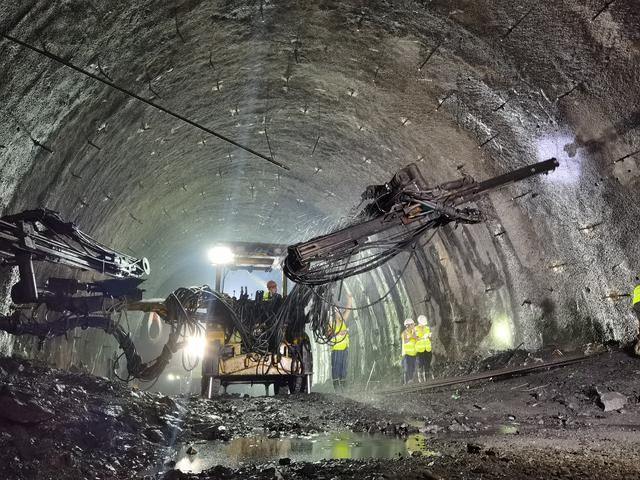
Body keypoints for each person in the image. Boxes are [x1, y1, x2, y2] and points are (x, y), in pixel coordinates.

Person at [327, 293, 353, 392]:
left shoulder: (342, 321)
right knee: (336, 369)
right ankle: (337, 389)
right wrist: (342, 332)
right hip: (337, 350)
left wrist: (349, 299)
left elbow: (348, 310)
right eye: (338, 312)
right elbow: (328, 334)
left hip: (345, 348)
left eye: (340, 312)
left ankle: (344, 388)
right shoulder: (330, 323)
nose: (340, 313)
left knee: (343, 369)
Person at [414, 314, 433, 382]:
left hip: (427, 348)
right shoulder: (415, 329)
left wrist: (429, 336)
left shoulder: (427, 328)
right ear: (419, 322)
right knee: (420, 364)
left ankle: (427, 377)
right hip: (420, 350)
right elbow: (416, 338)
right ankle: (420, 378)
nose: (423, 325)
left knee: (427, 362)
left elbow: (430, 338)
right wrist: (423, 337)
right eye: (422, 324)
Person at [401, 318, 418, 384]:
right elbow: (405, 341)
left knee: (413, 367)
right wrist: (412, 337)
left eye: (413, 325)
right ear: (408, 325)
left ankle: (409, 381)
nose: (413, 326)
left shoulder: (413, 333)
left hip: (413, 353)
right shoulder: (404, 333)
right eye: (412, 325)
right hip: (406, 353)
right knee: (408, 367)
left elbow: (416, 340)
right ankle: (408, 381)